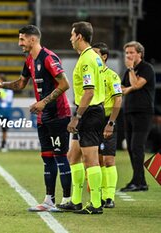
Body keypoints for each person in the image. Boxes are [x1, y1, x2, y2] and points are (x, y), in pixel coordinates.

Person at [0, 25, 72, 212]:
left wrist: (44, 102)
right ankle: (49, 200)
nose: (19, 43)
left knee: (60, 156)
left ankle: (67, 200)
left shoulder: (49, 58)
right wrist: (0, 85)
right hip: (43, 116)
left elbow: (65, 84)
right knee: (47, 157)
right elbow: (20, 83)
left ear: (33, 39)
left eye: (22, 39)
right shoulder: (29, 61)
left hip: (59, 115)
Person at [57, 21, 105, 214]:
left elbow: (89, 92)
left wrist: (77, 117)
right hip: (90, 110)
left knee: (90, 159)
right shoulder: (94, 56)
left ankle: (96, 204)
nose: (70, 38)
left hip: (89, 111)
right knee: (73, 156)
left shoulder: (86, 60)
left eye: (71, 34)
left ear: (79, 36)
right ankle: (75, 201)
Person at [120, 41, 156, 192]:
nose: (128, 55)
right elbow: (121, 88)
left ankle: (139, 182)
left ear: (139, 54)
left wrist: (130, 68)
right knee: (130, 147)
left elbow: (136, 85)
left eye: (131, 52)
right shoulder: (128, 72)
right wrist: (127, 88)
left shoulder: (146, 68)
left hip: (143, 112)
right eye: (127, 53)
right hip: (129, 111)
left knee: (137, 146)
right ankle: (139, 180)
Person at [92, 42, 122, 208]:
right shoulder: (91, 75)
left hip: (107, 119)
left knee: (109, 159)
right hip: (92, 120)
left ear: (104, 56)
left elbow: (118, 99)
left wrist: (110, 123)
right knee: (97, 159)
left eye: (96, 53)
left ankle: (109, 197)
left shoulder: (112, 76)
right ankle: (100, 195)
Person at [0, 73, 14, 152]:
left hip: (5, 113)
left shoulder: (8, 90)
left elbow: (8, 100)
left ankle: (3, 145)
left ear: (2, 81)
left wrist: (1, 95)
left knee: (4, 130)